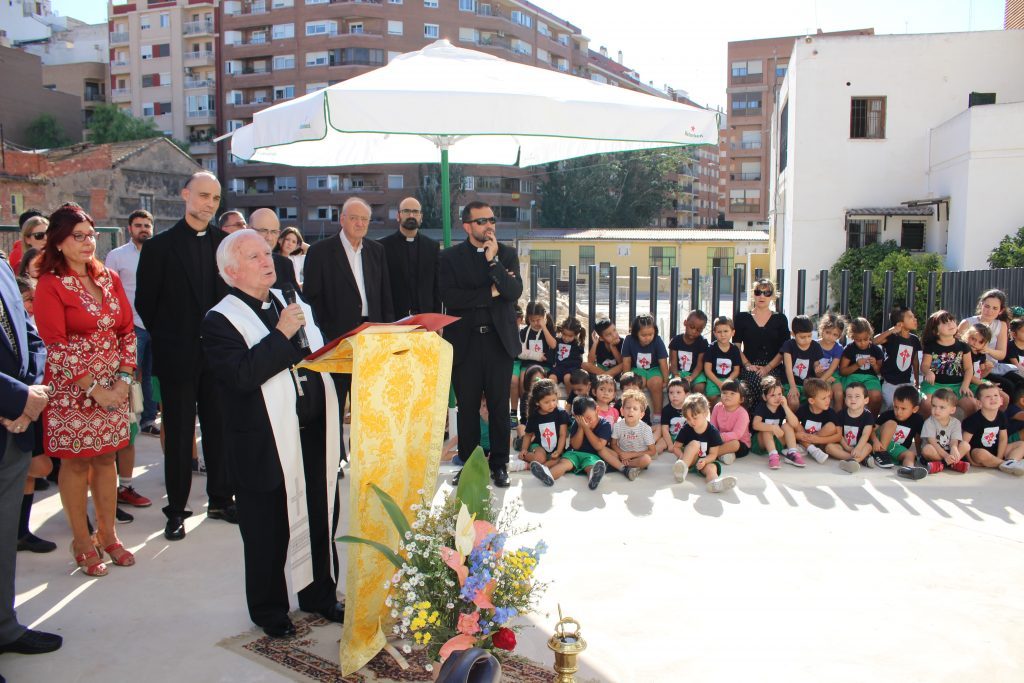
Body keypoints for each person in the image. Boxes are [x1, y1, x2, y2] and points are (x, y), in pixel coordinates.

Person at [201, 230, 344, 638]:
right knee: (268, 530)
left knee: (320, 514)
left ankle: (319, 593)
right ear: (231, 271)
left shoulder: (292, 303)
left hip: (312, 432)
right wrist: (280, 333)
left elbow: (317, 356)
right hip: (263, 441)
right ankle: (270, 611)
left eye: (267, 253)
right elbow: (242, 376)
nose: (267, 260)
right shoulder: (219, 320)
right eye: (254, 256)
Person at [34, 203, 137, 575]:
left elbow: (127, 329)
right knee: (76, 463)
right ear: (58, 242)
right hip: (72, 392)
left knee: (107, 458)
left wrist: (123, 381)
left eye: (91, 234)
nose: (87, 242)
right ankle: (81, 539)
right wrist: (94, 389)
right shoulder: (50, 284)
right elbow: (55, 344)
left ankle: (108, 536)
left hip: (113, 386)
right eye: (78, 236)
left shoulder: (108, 277)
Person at [136, 171, 234, 541]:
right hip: (178, 357)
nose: (209, 203)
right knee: (178, 436)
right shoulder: (160, 247)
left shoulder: (225, 245)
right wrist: (173, 338)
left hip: (218, 357)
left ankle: (221, 499)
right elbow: (146, 302)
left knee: (219, 430)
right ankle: (176, 510)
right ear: (186, 195)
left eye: (215, 198)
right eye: (203, 195)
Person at [0, 216, 62, 658]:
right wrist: (15, 397)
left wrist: (31, 394)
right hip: (11, 408)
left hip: (15, 424)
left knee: (4, 539)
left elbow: (27, 331)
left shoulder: (2, 261)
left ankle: (4, 626)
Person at [304, 197, 394, 463]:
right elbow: (311, 299)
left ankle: (364, 455)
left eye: (364, 219)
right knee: (334, 402)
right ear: (342, 219)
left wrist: (387, 333)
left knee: (367, 402)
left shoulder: (376, 251)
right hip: (336, 338)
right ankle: (335, 457)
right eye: (354, 218)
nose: (359, 223)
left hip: (371, 336)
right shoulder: (321, 251)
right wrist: (323, 338)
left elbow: (385, 295)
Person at [439, 201, 522, 488]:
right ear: (467, 226)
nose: (489, 226)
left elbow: (513, 292)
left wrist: (493, 261)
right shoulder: (449, 258)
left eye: (491, 220)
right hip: (466, 344)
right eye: (481, 221)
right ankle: (470, 465)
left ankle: (499, 465)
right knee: (468, 408)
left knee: (500, 407)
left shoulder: (507, 255)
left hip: (499, 343)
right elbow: (451, 299)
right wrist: (490, 291)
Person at [104, 210, 159, 511]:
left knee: (150, 376)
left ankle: (149, 418)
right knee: (132, 378)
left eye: (147, 225)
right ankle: (136, 420)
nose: (143, 229)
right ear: (129, 229)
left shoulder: (158, 254)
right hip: (130, 327)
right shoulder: (117, 256)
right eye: (139, 225)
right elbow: (111, 292)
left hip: (155, 324)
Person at [378, 197, 441, 319]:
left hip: (425, 319)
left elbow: (437, 287)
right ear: (398, 216)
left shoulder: (432, 247)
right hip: (394, 320)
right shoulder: (383, 247)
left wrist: (437, 318)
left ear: (421, 217)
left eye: (416, 211)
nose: (411, 215)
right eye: (406, 211)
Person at [528, 395, 608, 490]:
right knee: (563, 464)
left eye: (589, 418)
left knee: (592, 466)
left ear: (597, 410)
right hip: (573, 453)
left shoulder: (604, 424)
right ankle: (548, 476)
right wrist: (581, 427)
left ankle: (594, 478)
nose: (586, 422)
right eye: (582, 420)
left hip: (591, 455)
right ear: (576, 417)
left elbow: (599, 446)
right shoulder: (577, 424)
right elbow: (576, 446)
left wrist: (586, 428)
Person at [734, 278, 789, 409]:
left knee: (770, 386)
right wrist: (747, 364)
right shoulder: (742, 317)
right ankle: (753, 423)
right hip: (749, 366)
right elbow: (736, 345)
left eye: (767, 293)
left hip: (773, 367)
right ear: (753, 295)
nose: (762, 296)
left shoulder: (780, 319)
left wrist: (768, 368)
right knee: (751, 384)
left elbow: (784, 349)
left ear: (773, 296)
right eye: (758, 292)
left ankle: (769, 422)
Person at [670, 393, 737, 493]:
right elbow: (676, 447)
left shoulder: (713, 432)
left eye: (695, 417)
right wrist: (682, 456)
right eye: (688, 419)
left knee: (712, 468)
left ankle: (714, 483)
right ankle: (681, 470)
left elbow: (713, 454)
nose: (691, 422)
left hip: (703, 462)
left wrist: (705, 461)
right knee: (695, 444)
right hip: (689, 458)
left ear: (705, 413)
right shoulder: (686, 428)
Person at [919, 310, 975, 419]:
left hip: (957, 385)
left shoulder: (963, 346)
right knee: (926, 404)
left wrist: (965, 384)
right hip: (934, 385)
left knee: (971, 404)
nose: (951, 324)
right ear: (936, 331)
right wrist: (928, 372)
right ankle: (926, 431)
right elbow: (924, 365)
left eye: (952, 320)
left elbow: (968, 368)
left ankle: (966, 433)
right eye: (945, 323)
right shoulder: (931, 346)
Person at [963, 381, 1024, 476]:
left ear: (1001, 400)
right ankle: (1005, 464)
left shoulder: (1001, 416)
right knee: (980, 453)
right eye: (988, 397)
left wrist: (1000, 456)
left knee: (1021, 444)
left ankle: (1010, 461)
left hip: (996, 451)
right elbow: (964, 442)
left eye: (996, 395)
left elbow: (1003, 439)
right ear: (979, 403)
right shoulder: (974, 419)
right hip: (978, 452)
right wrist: (970, 461)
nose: (993, 398)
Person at [512, 302, 556, 424]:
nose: (536, 323)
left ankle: (540, 410)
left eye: (539, 320)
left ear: (544, 317)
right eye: (533, 320)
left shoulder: (549, 330)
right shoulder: (524, 332)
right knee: (522, 380)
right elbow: (520, 351)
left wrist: (544, 327)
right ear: (528, 319)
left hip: (544, 366)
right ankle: (525, 412)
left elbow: (553, 345)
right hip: (527, 364)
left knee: (539, 380)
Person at [620, 314, 669, 419]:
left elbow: (663, 362)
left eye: (650, 334)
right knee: (636, 384)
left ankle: (657, 415)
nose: (647, 338)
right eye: (643, 335)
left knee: (656, 383)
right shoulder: (629, 340)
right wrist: (626, 378)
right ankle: (635, 413)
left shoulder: (657, 340)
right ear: (635, 333)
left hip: (654, 369)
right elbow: (627, 361)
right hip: (637, 369)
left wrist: (666, 379)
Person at [871, 384, 925, 477]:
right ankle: (880, 454)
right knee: (892, 423)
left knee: (910, 455)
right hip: (878, 445)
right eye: (896, 407)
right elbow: (871, 429)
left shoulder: (917, 420)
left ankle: (908, 470)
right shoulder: (888, 415)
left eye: (903, 408)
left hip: (896, 449)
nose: (898, 411)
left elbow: (918, 438)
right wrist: (875, 441)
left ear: (915, 409)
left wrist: (920, 454)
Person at [873, 307, 921, 410]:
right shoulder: (892, 337)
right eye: (910, 317)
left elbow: (915, 361)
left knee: (912, 403)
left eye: (914, 316)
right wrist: (891, 330)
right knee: (891, 404)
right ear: (901, 323)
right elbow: (874, 341)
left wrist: (916, 380)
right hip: (890, 381)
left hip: (906, 381)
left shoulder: (914, 340)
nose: (915, 319)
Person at [751, 376, 804, 468]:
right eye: (772, 395)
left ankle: (792, 453)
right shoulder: (761, 407)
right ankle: (773, 455)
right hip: (760, 443)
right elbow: (755, 425)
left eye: (779, 394)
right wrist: (773, 427)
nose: (777, 398)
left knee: (787, 426)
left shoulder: (782, 407)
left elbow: (795, 424)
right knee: (767, 429)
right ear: (764, 397)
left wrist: (786, 407)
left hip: (775, 441)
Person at [824, 381, 875, 474]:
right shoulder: (841, 414)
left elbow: (865, 434)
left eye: (857, 396)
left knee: (868, 446)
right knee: (829, 447)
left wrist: (858, 448)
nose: (853, 399)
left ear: (866, 400)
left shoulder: (868, 416)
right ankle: (858, 460)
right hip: (844, 446)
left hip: (860, 446)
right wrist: (847, 447)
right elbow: (839, 435)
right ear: (845, 399)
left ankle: (853, 461)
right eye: (849, 396)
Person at [837, 317, 884, 415]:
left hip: (871, 378)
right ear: (852, 337)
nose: (862, 343)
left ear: (870, 335)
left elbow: (880, 372)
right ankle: (848, 420)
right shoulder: (850, 349)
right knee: (851, 395)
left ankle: (871, 421)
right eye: (858, 340)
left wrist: (875, 365)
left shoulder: (875, 350)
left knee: (876, 396)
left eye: (865, 339)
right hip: (852, 377)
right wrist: (856, 365)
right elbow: (842, 371)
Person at [919, 387, 971, 475]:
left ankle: (941, 465)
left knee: (965, 445)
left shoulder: (956, 423)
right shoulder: (929, 422)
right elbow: (933, 443)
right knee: (927, 449)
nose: (937, 410)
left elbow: (954, 440)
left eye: (942, 407)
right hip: (935, 452)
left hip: (949, 451)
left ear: (952, 410)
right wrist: (946, 456)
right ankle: (953, 464)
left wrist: (954, 448)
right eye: (934, 406)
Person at [790, 377, 841, 464]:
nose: (828, 400)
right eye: (823, 398)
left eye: (828, 397)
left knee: (831, 426)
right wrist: (798, 436)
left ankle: (808, 447)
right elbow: (791, 427)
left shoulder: (830, 412)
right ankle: (810, 448)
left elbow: (839, 436)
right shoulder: (803, 409)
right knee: (794, 423)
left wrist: (817, 439)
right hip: (805, 438)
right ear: (811, 400)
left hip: (819, 443)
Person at [518, 379, 569, 467]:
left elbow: (562, 435)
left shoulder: (561, 414)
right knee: (540, 458)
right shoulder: (534, 416)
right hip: (539, 446)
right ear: (537, 402)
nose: (552, 404)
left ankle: (537, 467)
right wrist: (524, 449)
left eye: (554, 400)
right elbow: (528, 435)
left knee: (559, 460)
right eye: (546, 402)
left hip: (557, 448)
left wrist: (559, 451)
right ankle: (524, 457)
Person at [609, 389, 655, 479]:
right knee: (603, 450)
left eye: (635, 408)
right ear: (622, 411)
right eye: (628, 407)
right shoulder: (618, 426)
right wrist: (622, 454)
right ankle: (628, 468)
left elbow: (652, 451)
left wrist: (630, 455)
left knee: (647, 459)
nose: (631, 411)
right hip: (621, 455)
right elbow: (613, 444)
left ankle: (622, 466)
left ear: (641, 414)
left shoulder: (646, 429)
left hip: (638, 457)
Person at [248, 208, 298, 291]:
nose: (269, 237)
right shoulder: (234, 263)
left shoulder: (285, 265)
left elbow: (299, 299)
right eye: (263, 231)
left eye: (274, 232)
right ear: (248, 229)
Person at [780, 314, 823, 411]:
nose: (807, 340)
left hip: (809, 384)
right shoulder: (789, 345)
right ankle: (792, 424)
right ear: (793, 334)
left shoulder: (815, 346)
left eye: (809, 336)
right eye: (802, 337)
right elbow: (788, 368)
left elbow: (816, 365)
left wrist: (818, 370)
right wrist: (793, 387)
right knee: (793, 402)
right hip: (790, 383)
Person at [703, 316, 745, 407]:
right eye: (719, 332)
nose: (722, 335)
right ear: (714, 333)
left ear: (733, 332)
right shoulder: (711, 348)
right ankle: (714, 416)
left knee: (736, 395)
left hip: (730, 379)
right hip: (714, 379)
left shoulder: (734, 349)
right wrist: (719, 383)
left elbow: (736, 370)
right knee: (713, 397)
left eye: (726, 331)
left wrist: (727, 382)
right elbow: (707, 369)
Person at [668, 310, 708, 393]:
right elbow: (673, 362)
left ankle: (696, 405)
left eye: (698, 330)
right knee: (676, 387)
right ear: (685, 323)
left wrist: (691, 377)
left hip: (696, 373)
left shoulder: (702, 342)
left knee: (699, 387)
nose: (694, 331)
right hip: (678, 372)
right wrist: (676, 375)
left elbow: (700, 364)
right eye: (692, 327)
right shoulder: (676, 341)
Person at [710, 378, 749, 461]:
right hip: (720, 440)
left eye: (732, 393)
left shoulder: (742, 413)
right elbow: (713, 426)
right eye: (724, 393)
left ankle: (709, 455)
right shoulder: (717, 407)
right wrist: (712, 437)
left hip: (740, 443)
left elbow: (737, 434)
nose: (727, 395)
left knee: (734, 444)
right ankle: (723, 455)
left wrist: (720, 437)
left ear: (741, 399)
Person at [816, 313, 846, 411]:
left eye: (835, 335)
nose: (830, 337)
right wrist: (823, 379)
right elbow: (815, 365)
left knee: (839, 393)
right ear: (822, 330)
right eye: (828, 332)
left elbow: (833, 368)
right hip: (818, 374)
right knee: (827, 393)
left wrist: (825, 378)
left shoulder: (838, 348)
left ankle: (837, 419)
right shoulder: (815, 345)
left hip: (833, 375)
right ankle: (825, 418)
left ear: (839, 336)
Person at [549, 316, 585, 389]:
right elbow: (552, 354)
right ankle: (552, 399)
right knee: (551, 378)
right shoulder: (557, 341)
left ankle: (570, 399)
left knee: (567, 378)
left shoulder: (577, 344)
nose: (566, 338)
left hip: (571, 369)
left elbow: (578, 361)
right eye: (564, 334)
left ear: (575, 335)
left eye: (570, 336)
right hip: (558, 368)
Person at [656, 376, 689, 453]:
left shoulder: (689, 409)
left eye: (678, 392)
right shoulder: (666, 410)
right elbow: (665, 429)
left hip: (686, 438)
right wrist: (670, 444)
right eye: (671, 393)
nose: (674, 395)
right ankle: (650, 455)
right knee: (660, 445)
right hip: (671, 436)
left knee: (692, 445)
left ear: (686, 394)